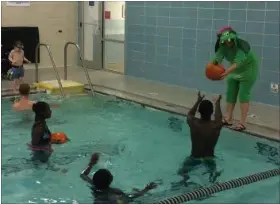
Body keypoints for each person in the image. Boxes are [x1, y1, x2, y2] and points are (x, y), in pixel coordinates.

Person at [212, 26, 259, 131]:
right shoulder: (222, 46)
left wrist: (226, 72)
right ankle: (228, 118)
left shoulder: (241, 47)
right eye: (225, 41)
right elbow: (217, 59)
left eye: (230, 40)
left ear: (233, 39)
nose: (228, 43)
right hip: (235, 70)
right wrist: (212, 68)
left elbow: (237, 62)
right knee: (230, 92)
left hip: (248, 69)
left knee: (243, 94)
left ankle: (242, 123)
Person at [177, 91, 223, 183]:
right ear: (212, 112)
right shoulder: (216, 126)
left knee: (181, 174)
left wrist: (198, 100)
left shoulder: (194, 124)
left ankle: (185, 183)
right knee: (213, 178)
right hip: (209, 159)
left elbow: (190, 114)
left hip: (194, 158)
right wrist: (218, 103)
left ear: (199, 111)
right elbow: (219, 118)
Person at [80, 153, 158, 204]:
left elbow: (83, 175)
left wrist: (91, 164)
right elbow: (131, 197)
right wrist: (146, 189)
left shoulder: (94, 185)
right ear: (111, 180)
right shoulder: (115, 192)